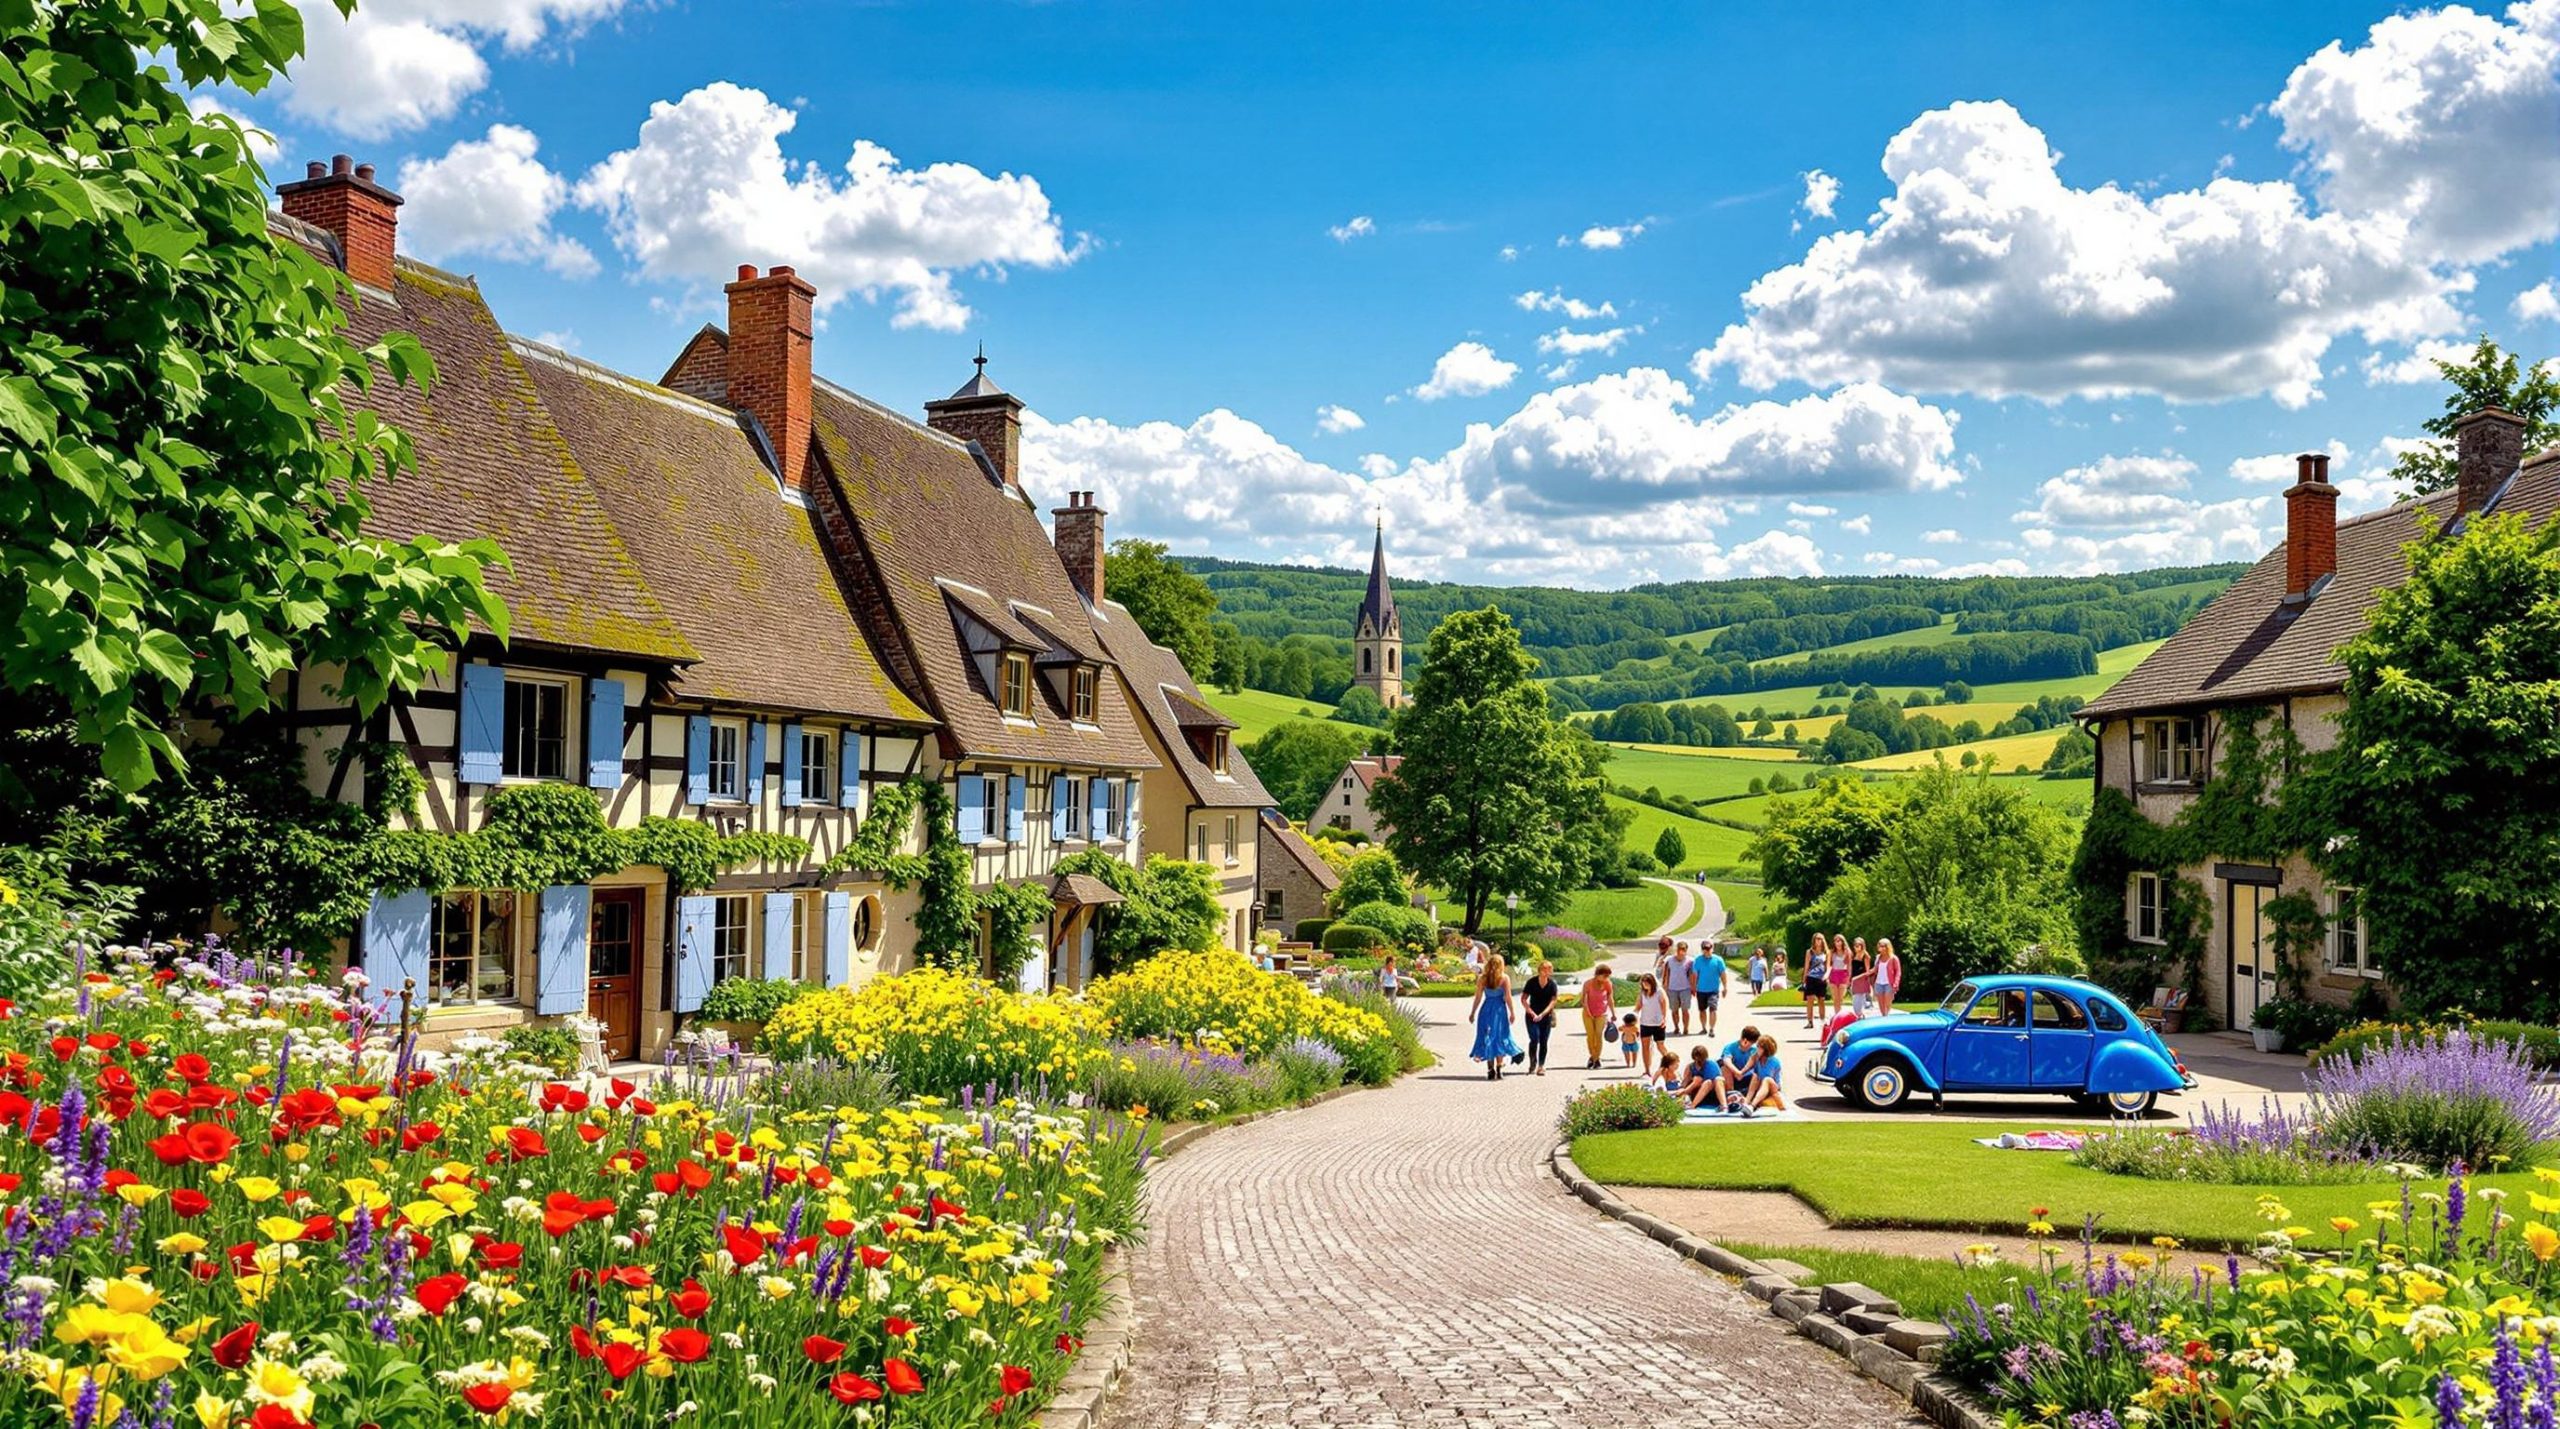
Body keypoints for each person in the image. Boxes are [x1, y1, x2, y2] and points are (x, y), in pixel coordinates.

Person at [1467, 953, 1523, 1081]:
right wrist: (1512, 1012)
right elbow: (1508, 997)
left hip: (1486, 1009)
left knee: (1487, 1036)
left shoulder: (1482, 978)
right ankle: (1499, 1068)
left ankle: (1490, 1068)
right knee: (1500, 1037)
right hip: (1499, 1010)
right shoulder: (1504, 978)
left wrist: (1473, 1012)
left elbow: (1478, 997)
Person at [1520, 960, 1560, 1076]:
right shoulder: (1532, 982)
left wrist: (1543, 1014)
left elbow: (1553, 1001)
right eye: (1545, 969)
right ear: (1540, 970)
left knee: (1544, 1041)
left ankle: (1541, 1066)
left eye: (1549, 969)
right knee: (1534, 1039)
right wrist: (1531, 1012)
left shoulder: (1552, 984)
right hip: (1531, 1015)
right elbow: (1523, 999)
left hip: (1545, 1016)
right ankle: (1533, 1063)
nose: (1547, 972)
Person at [1738, 1034, 1787, 1114]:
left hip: (1773, 1087)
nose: (1757, 1049)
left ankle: (1752, 1106)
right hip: (1761, 1088)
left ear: (1765, 1049)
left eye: (1759, 1047)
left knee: (1767, 1079)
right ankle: (1746, 1103)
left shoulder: (1774, 1062)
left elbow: (1777, 1084)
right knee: (1755, 1076)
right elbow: (1745, 1070)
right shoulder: (1757, 1060)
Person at [1580, 963, 1617, 1069]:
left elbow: (1610, 999)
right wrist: (1588, 1011)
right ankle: (1593, 1057)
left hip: (1602, 1013)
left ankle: (1596, 1059)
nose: (1606, 978)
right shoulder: (1588, 983)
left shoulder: (1607, 984)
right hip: (1588, 1013)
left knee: (1598, 1035)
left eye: (1608, 976)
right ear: (1598, 974)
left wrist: (1613, 1013)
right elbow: (1583, 999)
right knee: (1590, 1036)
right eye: (1605, 976)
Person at [1713, 1024, 1763, 1102]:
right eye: (1751, 1043)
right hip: (1732, 1077)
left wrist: (1742, 1073)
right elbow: (1726, 1060)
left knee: (1758, 1074)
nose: (1752, 1045)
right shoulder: (1730, 1047)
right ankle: (1731, 1093)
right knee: (1724, 1067)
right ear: (1745, 1040)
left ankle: (1750, 1097)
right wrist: (1737, 1072)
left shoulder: (1754, 1050)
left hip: (1748, 1078)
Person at [1634, 974, 1670, 1071]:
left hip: (1658, 1023)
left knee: (1660, 1046)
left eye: (1647, 983)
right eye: (1643, 983)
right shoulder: (1642, 993)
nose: (1645, 985)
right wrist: (1633, 1016)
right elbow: (1638, 1006)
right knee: (1645, 1047)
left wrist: (1664, 1018)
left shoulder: (1659, 992)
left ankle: (1670, 1063)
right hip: (1645, 1023)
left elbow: (1664, 1005)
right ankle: (1647, 1070)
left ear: (1652, 983)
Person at [1694, 943, 1728, 1038]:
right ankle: (1703, 1027)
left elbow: (1723, 974)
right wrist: (1693, 987)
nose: (1707, 951)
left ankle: (1712, 1029)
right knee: (1702, 1010)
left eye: (1709, 949)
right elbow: (1695, 975)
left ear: (1712, 949)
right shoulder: (1698, 960)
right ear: (1702, 950)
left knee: (1713, 1009)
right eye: (1705, 949)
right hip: (1701, 990)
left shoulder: (1718, 960)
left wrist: (1725, 987)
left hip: (1713, 990)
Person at [1662, 942, 1695, 1037]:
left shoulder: (1690, 961)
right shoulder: (1669, 960)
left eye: (1683, 950)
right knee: (1674, 1010)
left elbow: (1692, 975)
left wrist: (1693, 987)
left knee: (1685, 1010)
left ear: (1686, 950)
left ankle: (1686, 1028)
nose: (1681, 952)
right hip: (1672, 988)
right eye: (1679, 949)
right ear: (1677, 950)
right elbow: (1666, 974)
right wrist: (1665, 986)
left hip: (1685, 988)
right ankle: (1676, 1027)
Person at [1801, 935, 1831, 1027]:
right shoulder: (1809, 952)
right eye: (1817, 939)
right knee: (1810, 999)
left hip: (1821, 978)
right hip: (1811, 977)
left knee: (1821, 999)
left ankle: (1822, 1020)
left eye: (1821, 939)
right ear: (1814, 940)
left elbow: (1828, 966)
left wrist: (1827, 976)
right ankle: (1810, 1021)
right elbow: (1806, 966)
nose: (1819, 941)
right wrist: (1804, 979)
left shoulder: (1826, 952)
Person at [1826, 933, 1852, 1017]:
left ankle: (1839, 1014)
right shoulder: (1831, 952)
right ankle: (1837, 1015)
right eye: (1836, 941)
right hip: (1833, 974)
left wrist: (1849, 978)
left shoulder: (1847, 952)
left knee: (1840, 998)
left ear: (1842, 942)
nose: (1837, 943)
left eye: (1839, 941)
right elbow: (1828, 965)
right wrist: (1827, 976)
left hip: (1843, 975)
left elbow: (1849, 966)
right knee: (1835, 998)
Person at [1874, 938, 1902, 1016]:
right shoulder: (1878, 957)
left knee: (1887, 1004)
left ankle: (1886, 1017)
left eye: (1883, 946)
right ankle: (1884, 1017)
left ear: (1888, 947)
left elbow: (1898, 972)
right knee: (1881, 1005)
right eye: (1880, 946)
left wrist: (1896, 983)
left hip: (1889, 983)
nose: (1881, 948)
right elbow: (1875, 970)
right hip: (1878, 983)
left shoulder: (1893, 958)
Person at [1848, 936, 1874, 1017]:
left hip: (1862, 981)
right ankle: (1860, 1016)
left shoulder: (1865, 956)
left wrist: (1857, 978)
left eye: (1858, 945)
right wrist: (1850, 979)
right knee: (1855, 1002)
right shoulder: (1853, 956)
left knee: (1858, 1003)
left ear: (1862, 945)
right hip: (1854, 981)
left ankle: (1861, 1016)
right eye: (1855, 945)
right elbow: (1851, 968)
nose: (1856, 947)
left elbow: (1867, 972)